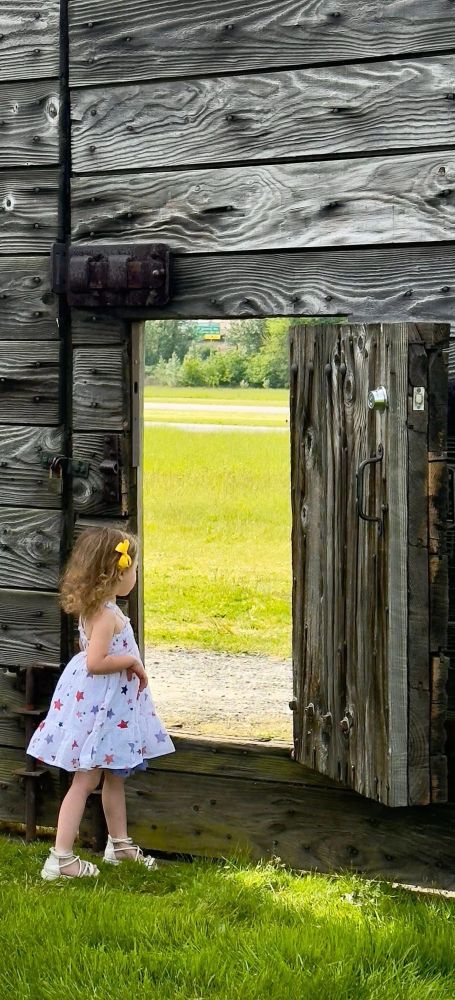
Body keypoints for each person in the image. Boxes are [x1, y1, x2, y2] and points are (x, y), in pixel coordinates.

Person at [27, 526, 175, 881]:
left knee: (114, 775)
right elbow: (95, 662)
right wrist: (130, 662)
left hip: (108, 708)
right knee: (87, 778)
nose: (135, 576)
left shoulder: (97, 610)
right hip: (103, 711)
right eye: (133, 569)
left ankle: (120, 845)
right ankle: (60, 858)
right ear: (117, 573)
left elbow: (86, 653)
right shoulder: (107, 616)